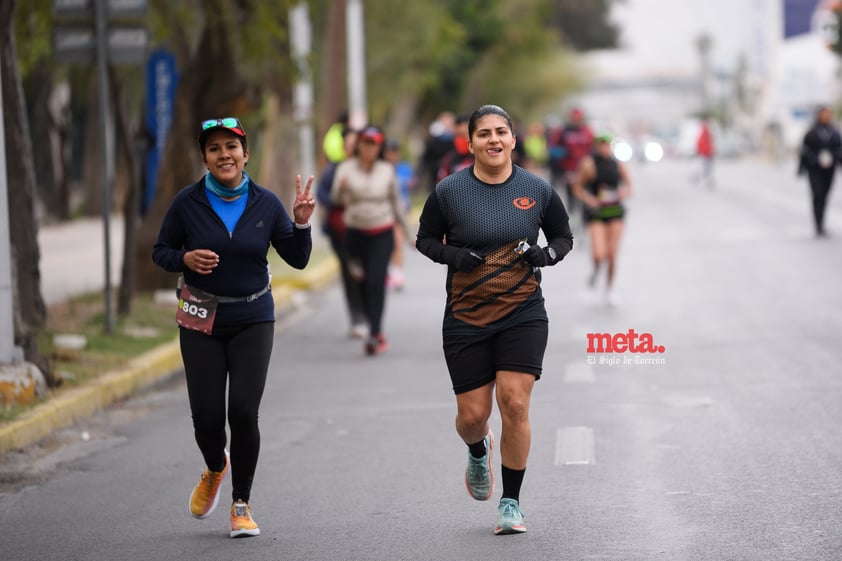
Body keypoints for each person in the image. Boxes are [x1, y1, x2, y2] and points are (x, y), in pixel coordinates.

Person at [152, 117, 315, 539]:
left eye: (231, 146)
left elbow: (297, 258)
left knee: (243, 410)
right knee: (207, 417)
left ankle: (241, 504)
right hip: (200, 315)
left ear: (246, 154)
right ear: (205, 158)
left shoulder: (266, 203)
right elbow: (161, 250)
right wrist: (184, 260)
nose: (224, 154)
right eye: (214, 148)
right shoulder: (187, 203)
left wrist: (300, 223)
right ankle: (214, 466)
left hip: (252, 315)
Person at [416, 104, 573, 535]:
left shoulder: (536, 190)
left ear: (513, 139)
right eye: (484, 133)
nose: (493, 140)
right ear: (470, 144)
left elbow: (564, 236)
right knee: (472, 416)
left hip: (523, 311)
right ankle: (477, 449)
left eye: (501, 132)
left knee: (515, 403)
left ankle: (510, 503)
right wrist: (453, 256)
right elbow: (424, 239)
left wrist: (547, 255)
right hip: (466, 315)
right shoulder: (449, 192)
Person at [331, 125, 412, 355]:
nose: (370, 148)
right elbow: (336, 198)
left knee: (376, 281)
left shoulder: (387, 170)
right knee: (361, 281)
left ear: (380, 147)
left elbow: (397, 204)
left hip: (382, 232)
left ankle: (376, 333)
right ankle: (369, 320)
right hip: (355, 234)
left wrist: (408, 235)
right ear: (359, 145)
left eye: (374, 143)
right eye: (366, 142)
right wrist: (341, 188)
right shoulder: (346, 168)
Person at [317, 127, 368, 337]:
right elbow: (322, 194)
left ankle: (369, 313)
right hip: (341, 232)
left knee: (368, 274)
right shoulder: (334, 170)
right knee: (349, 274)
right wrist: (339, 201)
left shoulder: (370, 167)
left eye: (354, 144)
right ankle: (357, 318)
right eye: (347, 144)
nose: (351, 148)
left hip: (368, 230)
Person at [572, 133, 632, 307]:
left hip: (615, 212)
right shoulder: (588, 164)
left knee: (612, 255)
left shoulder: (617, 164)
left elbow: (629, 186)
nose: (605, 148)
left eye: (607, 145)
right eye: (601, 144)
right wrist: (589, 199)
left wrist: (623, 192)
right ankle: (595, 274)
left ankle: (610, 290)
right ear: (596, 146)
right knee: (599, 254)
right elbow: (577, 187)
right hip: (596, 214)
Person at [798, 106, 841, 237]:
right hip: (815, 170)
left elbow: (839, 149)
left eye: (828, 114)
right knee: (818, 195)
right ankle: (818, 225)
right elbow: (804, 151)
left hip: (829, 169)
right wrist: (807, 164)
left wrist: (834, 158)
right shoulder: (811, 133)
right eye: (824, 114)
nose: (826, 116)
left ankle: (822, 222)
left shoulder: (834, 132)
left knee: (825, 196)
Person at [547, 107, 594, 223]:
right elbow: (552, 148)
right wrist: (562, 152)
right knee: (571, 194)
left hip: (585, 169)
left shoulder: (587, 131)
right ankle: (572, 217)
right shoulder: (563, 131)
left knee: (585, 193)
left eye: (578, 118)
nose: (576, 120)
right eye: (574, 118)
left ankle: (586, 218)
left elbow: (593, 148)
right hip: (568, 169)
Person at [383, 138, 415, 291]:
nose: (393, 156)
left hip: (401, 210)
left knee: (397, 241)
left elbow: (410, 186)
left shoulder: (404, 169)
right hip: (384, 211)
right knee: (386, 244)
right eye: (390, 152)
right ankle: (388, 271)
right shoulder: (381, 169)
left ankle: (397, 272)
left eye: (395, 152)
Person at [694, 118, 715, 189]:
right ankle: (704, 181)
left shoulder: (707, 132)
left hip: (708, 153)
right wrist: (704, 152)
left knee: (707, 169)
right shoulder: (704, 132)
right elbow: (701, 143)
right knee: (706, 169)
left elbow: (709, 143)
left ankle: (703, 180)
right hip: (706, 154)